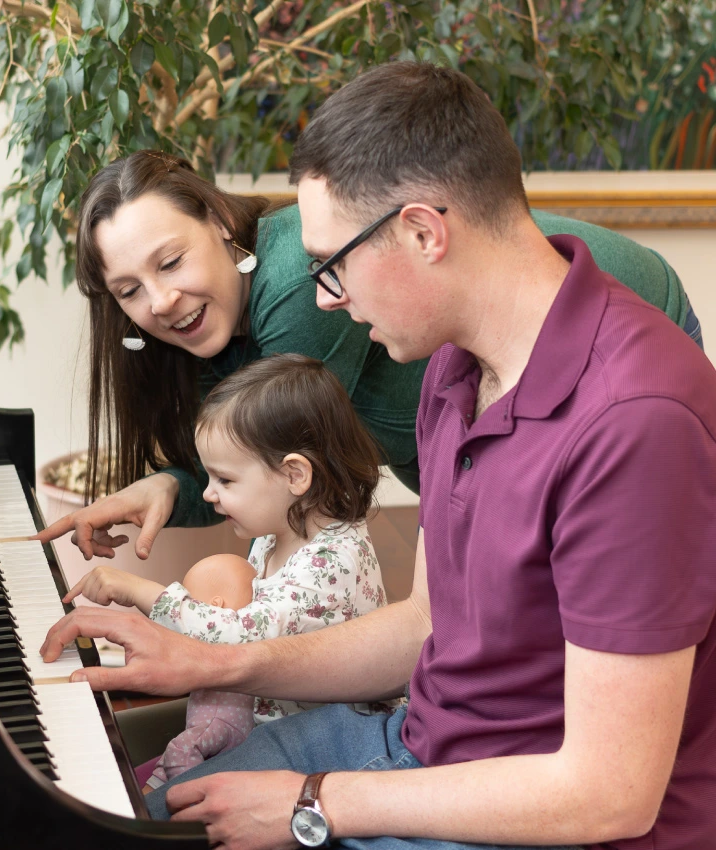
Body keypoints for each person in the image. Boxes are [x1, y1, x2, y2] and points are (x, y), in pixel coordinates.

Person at [41, 61, 716, 850]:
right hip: (422, 750)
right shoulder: (453, 365)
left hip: (538, 815)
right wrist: (209, 662)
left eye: (333, 264)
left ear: (425, 232)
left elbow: (608, 796)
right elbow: (424, 626)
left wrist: (314, 803)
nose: (325, 297)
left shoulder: (637, 423)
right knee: (149, 814)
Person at [35, 147, 703, 564]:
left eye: (171, 261)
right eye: (128, 290)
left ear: (217, 223)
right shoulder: (217, 321)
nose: (157, 301)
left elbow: (271, 472)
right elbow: (256, 466)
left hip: (618, 319)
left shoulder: (297, 284)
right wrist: (164, 486)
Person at [61, 354, 390, 777]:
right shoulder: (277, 532)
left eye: (225, 480)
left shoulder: (333, 561)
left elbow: (240, 639)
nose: (208, 495)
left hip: (325, 753)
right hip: (271, 729)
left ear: (294, 476)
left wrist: (138, 591)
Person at [139, 553, 256, 792]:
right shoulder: (250, 642)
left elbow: (183, 751)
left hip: (213, 732)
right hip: (214, 743)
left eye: (190, 603)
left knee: (178, 754)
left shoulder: (224, 641)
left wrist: (189, 796)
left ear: (214, 608)